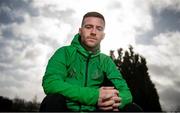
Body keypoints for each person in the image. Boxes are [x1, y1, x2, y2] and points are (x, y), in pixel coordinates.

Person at [40, 11, 142, 112]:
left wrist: (112, 101)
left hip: (96, 110)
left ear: (103, 35)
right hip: (67, 108)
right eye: (88, 27)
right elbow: (50, 83)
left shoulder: (106, 61)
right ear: (80, 31)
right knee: (52, 100)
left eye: (99, 28)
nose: (93, 32)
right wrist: (95, 96)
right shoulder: (64, 52)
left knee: (132, 109)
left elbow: (126, 93)